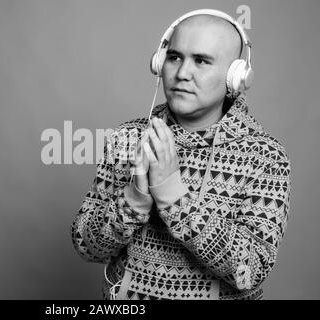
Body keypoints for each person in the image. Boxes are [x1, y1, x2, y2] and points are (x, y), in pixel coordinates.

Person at [70, 9, 291, 300]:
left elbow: (250, 270)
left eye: (201, 61)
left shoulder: (265, 156)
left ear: (235, 76)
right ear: (160, 63)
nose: (182, 73)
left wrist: (176, 200)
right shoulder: (127, 139)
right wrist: (132, 203)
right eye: (174, 57)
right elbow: (86, 244)